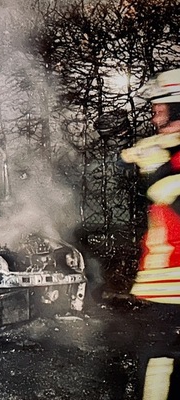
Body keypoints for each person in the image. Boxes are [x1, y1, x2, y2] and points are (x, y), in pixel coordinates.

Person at [120, 67, 180, 400]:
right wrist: (120, 144)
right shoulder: (164, 147)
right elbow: (125, 162)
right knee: (158, 362)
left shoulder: (170, 155)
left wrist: (158, 173)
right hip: (161, 286)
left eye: (160, 109)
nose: (155, 116)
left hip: (173, 286)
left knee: (157, 363)